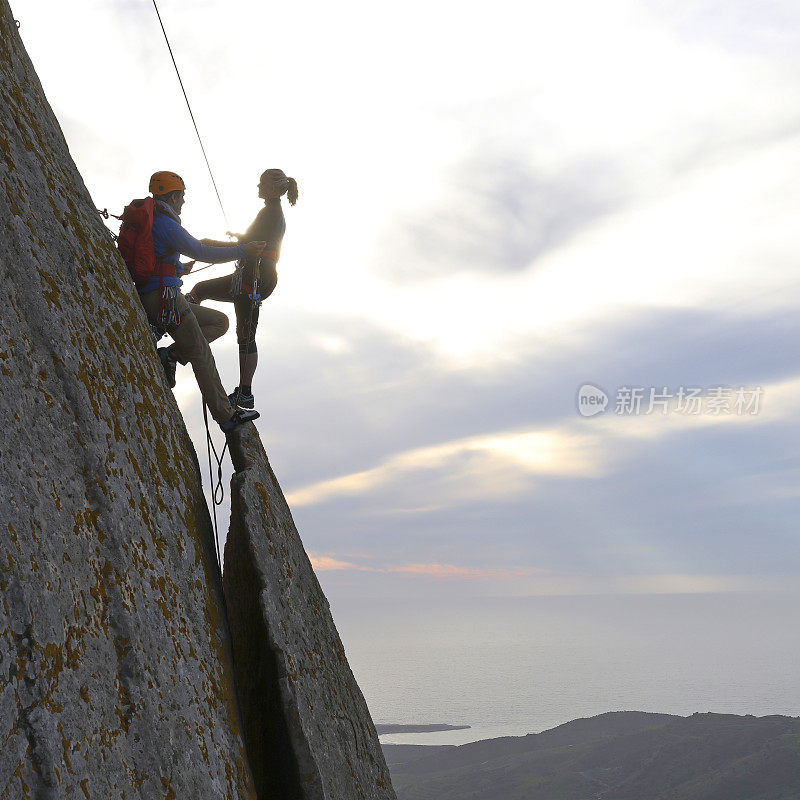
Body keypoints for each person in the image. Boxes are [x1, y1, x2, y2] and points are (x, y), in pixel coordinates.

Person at [138, 171, 266, 432]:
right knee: (200, 352)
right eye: (182, 196)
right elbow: (202, 251)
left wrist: (177, 268)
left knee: (219, 322)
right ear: (173, 196)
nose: (183, 201)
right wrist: (243, 250)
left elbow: (156, 256)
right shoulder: (166, 224)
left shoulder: (153, 220)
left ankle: (171, 355)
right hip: (166, 299)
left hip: (157, 293)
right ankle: (226, 416)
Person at [187, 168, 298, 409]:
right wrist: (233, 239)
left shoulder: (270, 212)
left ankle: (245, 392)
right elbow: (252, 239)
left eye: (261, 184)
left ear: (270, 188)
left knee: (245, 333)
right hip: (259, 275)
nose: (257, 187)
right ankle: (245, 391)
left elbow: (249, 244)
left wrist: (208, 245)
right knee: (242, 330)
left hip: (255, 276)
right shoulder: (272, 212)